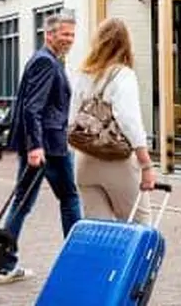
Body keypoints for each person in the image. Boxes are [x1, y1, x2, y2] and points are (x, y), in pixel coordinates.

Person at [0, 11, 82, 285]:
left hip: (46, 144)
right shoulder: (46, 62)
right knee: (68, 198)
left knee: (23, 203)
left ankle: (4, 263)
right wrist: (35, 147)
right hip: (48, 147)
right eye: (64, 34)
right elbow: (32, 108)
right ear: (49, 35)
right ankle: (76, 258)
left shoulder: (47, 60)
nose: (69, 38)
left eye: (72, 34)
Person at [72, 17, 157, 224]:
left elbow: (71, 117)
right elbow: (129, 121)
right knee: (139, 227)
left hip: (84, 160)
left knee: (98, 233)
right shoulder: (123, 74)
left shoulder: (83, 74)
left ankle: (97, 259)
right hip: (117, 161)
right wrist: (146, 164)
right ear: (125, 43)